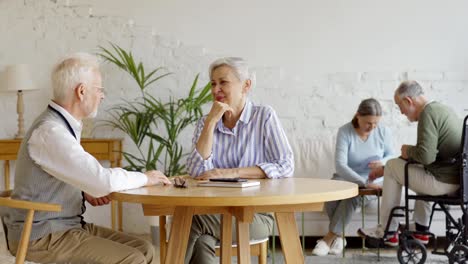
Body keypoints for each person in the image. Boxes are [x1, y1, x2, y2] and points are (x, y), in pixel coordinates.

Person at [3, 53, 172, 264]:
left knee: (143, 248)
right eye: (99, 89)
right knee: (132, 258)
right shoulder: (51, 132)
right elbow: (104, 181)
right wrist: (145, 178)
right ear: (81, 92)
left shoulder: (63, 127)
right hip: (43, 236)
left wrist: (82, 190)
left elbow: (63, 172)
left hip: (65, 228)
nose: (102, 96)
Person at [185, 57, 294, 264]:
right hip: (214, 212)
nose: (216, 89)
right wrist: (210, 122)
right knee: (201, 242)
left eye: (223, 82)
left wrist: (232, 172)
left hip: (255, 216)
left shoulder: (264, 117)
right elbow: (196, 171)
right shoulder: (206, 122)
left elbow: (285, 164)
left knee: (190, 219)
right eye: (213, 84)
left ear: (246, 85)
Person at [358, 80, 461, 246]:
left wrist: (407, 151)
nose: (401, 112)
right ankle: (420, 229)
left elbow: (426, 156)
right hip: (456, 181)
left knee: (392, 165)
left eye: (400, 106)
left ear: (408, 101)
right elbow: (428, 157)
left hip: (443, 182)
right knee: (405, 168)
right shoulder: (442, 109)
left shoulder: (428, 113)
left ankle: (387, 230)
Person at [311, 98, 395, 256]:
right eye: (369, 123)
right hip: (346, 177)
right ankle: (340, 237)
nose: (372, 127)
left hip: (374, 180)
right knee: (331, 193)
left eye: (376, 123)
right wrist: (363, 182)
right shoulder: (345, 131)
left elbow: (391, 156)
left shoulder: (383, 131)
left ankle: (328, 239)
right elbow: (341, 165)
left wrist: (382, 162)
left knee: (353, 195)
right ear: (358, 116)